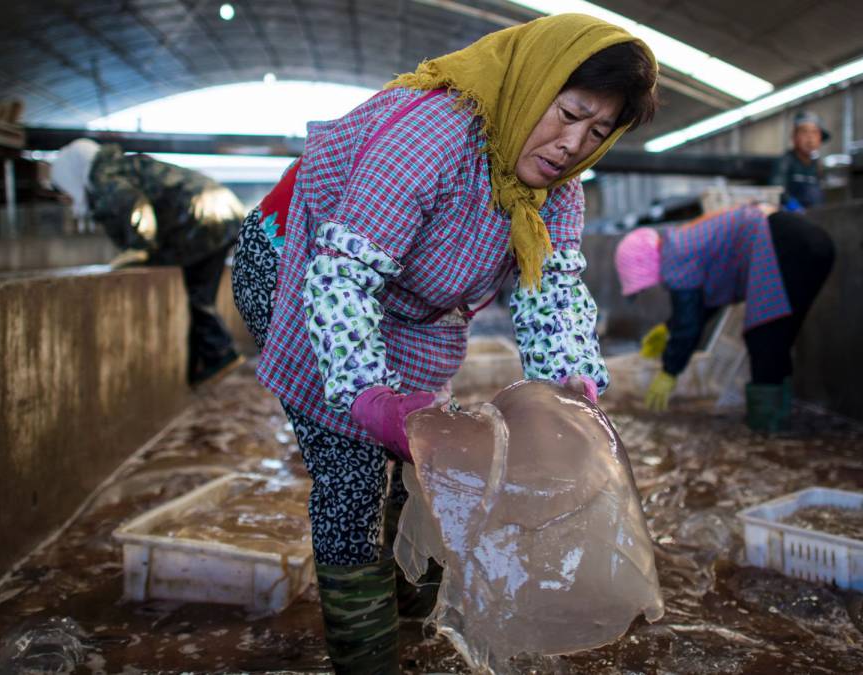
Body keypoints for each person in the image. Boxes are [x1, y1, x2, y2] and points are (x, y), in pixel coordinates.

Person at [231, 14, 657, 673]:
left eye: (598, 131)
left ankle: (417, 613)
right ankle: (366, 653)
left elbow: (553, 292)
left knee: (426, 458)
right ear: (534, 83)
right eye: (569, 112)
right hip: (302, 254)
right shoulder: (434, 132)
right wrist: (369, 397)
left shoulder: (557, 190)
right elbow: (342, 278)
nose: (574, 143)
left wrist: (572, 387)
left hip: (414, 301)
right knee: (352, 468)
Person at [615, 205, 834, 431]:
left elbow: (689, 324)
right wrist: (669, 328)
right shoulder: (681, 243)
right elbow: (700, 308)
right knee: (777, 339)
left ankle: (765, 433)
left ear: (646, 264)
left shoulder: (674, 258)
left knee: (765, 338)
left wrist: (669, 371)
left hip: (784, 242)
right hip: (810, 241)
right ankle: (780, 425)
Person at [49, 139, 245, 386]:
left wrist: (139, 247)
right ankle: (209, 360)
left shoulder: (104, 178)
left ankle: (221, 354)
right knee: (199, 293)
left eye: (63, 189)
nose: (66, 197)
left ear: (70, 174)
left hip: (202, 219)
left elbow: (135, 206)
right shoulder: (117, 166)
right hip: (218, 213)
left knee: (197, 296)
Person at [772, 110, 830, 210]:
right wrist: (792, 206)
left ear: (820, 139)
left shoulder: (817, 165)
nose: (810, 138)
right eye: (804, 132)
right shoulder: (786, 161)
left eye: (814, 132)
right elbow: (777, 190)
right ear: (794, 137)